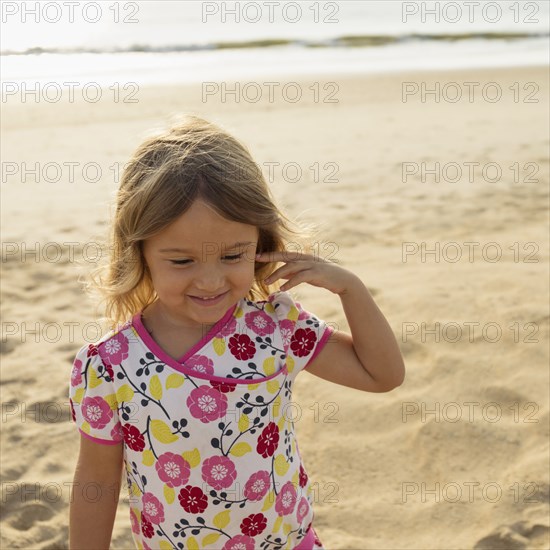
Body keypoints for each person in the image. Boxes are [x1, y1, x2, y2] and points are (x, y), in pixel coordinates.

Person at [68, 115, 405, 550]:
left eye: (232, 255)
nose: (210, 281)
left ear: (260, 241)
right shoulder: (109, 364)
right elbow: (96, 482)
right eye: (182, 261)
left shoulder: (276, 327)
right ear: (140, 253)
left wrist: (350, 289)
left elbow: (382, 375)